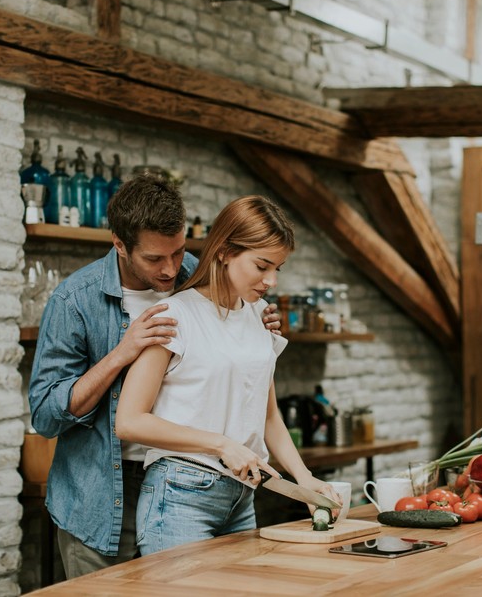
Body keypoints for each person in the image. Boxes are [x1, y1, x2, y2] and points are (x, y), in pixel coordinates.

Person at [28, 174, 280, 578]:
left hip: (188, 483)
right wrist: (121, 354)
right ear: (120, 245)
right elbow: (45, 415)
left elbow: (235, 336)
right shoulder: (75, 300)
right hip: (102, 492)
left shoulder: (197, 276)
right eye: (154, 259)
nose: (170, 269)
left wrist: (257, 316)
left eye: (178, 252)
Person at [115, 195, 341, 556]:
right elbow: (129, 422)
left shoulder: (259, 317)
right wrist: (221, 444)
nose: (271, 281)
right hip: (180, 496)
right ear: (224, 252)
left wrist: (305, 479)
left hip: (241, 498)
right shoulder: (173, 316)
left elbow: (268, 416)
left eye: (277, 269)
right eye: (262, 266)